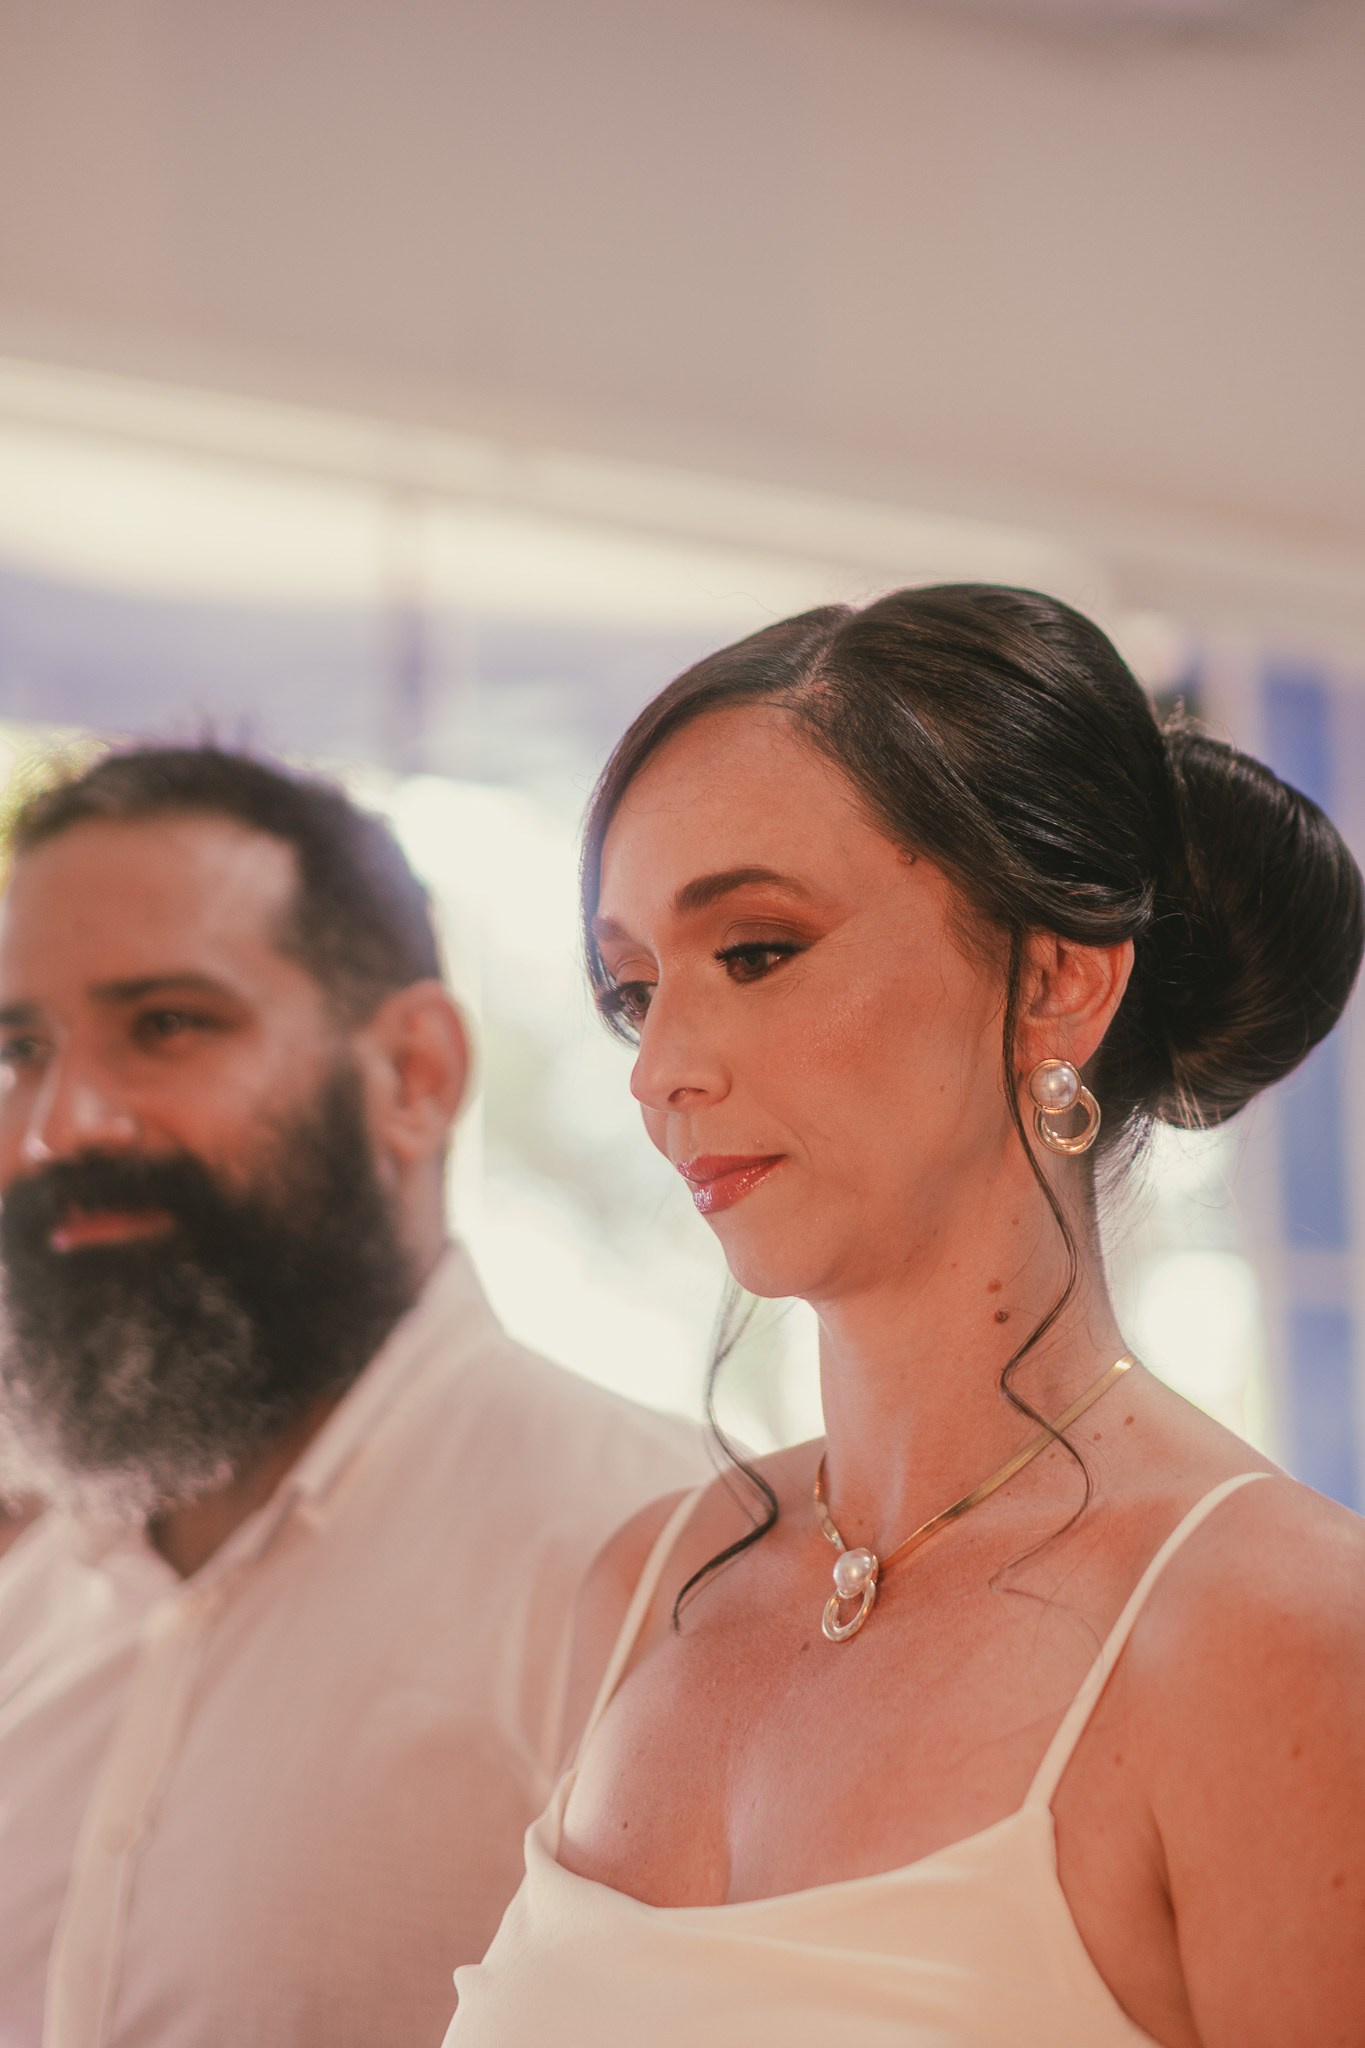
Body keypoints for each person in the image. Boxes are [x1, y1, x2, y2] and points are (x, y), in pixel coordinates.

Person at [445, 586, 1365, 2048]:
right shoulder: (643, 1591)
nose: (659, 1069)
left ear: (1054, 982)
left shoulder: (1276, 1634)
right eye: (633, 990)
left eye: (755, 951)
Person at [0, 745, 705, 2048]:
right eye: (20, 1049)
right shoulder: (29, 1607)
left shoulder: (661, 1562)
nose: (59, 1126)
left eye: (166, 1025)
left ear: (413, 1075)